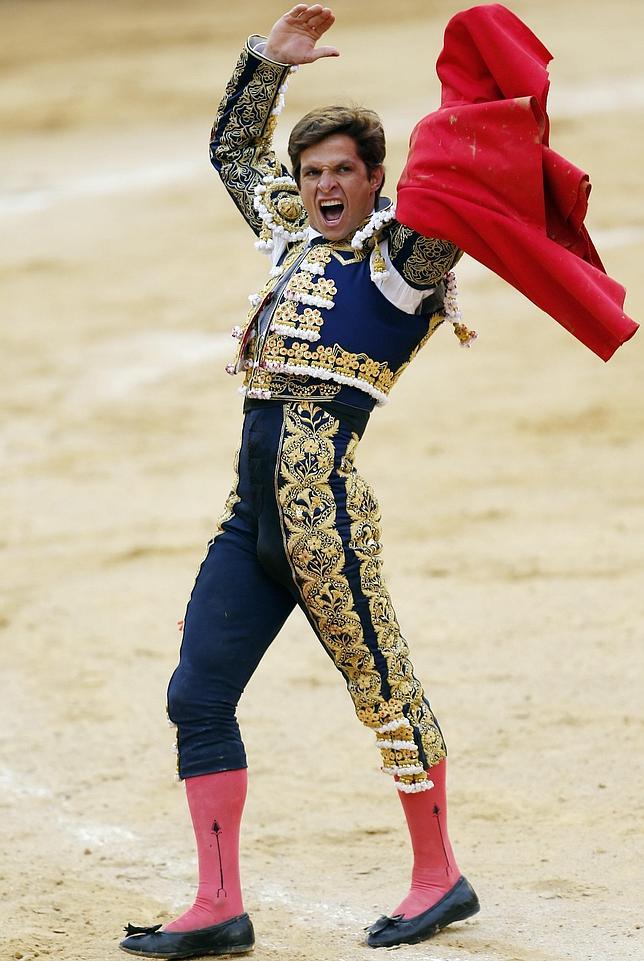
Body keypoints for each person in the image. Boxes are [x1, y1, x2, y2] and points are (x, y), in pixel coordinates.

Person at [120, 2, 636, 957]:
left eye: (339, 173)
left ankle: (440, 877)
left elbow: (457, 181)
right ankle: (218, 905)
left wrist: (476, 110)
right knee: (196, 694)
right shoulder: (294, 242)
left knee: (384, 689)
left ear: (373, 182)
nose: (319, 186)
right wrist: (266, 66)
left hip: (326, 513)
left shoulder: (403, 262)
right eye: (311, 172)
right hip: (252, 519)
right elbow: (236, 157)